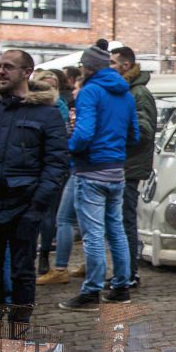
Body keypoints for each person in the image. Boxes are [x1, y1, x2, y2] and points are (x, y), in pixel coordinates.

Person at [0, 50, 69, 325]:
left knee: (22, 273)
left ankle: (18, 332)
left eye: (8, 67)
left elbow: (56, 164)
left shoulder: (47, 114)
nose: (1, 72)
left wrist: (36, 208)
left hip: (25, 205)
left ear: (27, 72)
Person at [58, 40, 139, 312]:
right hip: (117, 172)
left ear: (88, 67)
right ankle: (121, 288)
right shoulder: (126, 94)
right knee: (116, 232)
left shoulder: (90, 91)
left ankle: (91, 293)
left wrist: (69, 149)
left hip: (91, 171)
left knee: (93, 236)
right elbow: (134, 134)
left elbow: (83, 134)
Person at [110, 46, 157, 289]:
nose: (109, 68)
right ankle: (124, 271)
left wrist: (113, 129)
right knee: (118, 221)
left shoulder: (138, 93)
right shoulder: (125, 91)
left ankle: (129, 273)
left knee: (125, 221)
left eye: (113, 63)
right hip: (121, 166)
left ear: (126, 65)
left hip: (129, 168)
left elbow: (145, 131)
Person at [31, 70, 71, 277]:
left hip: (53, 169)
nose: (50, 90)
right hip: (31, 168)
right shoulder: (27, 106)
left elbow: (63, 141)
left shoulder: (60, 107)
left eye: (53, 86)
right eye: (46, 86)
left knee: (49, 216)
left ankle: (44, 254)